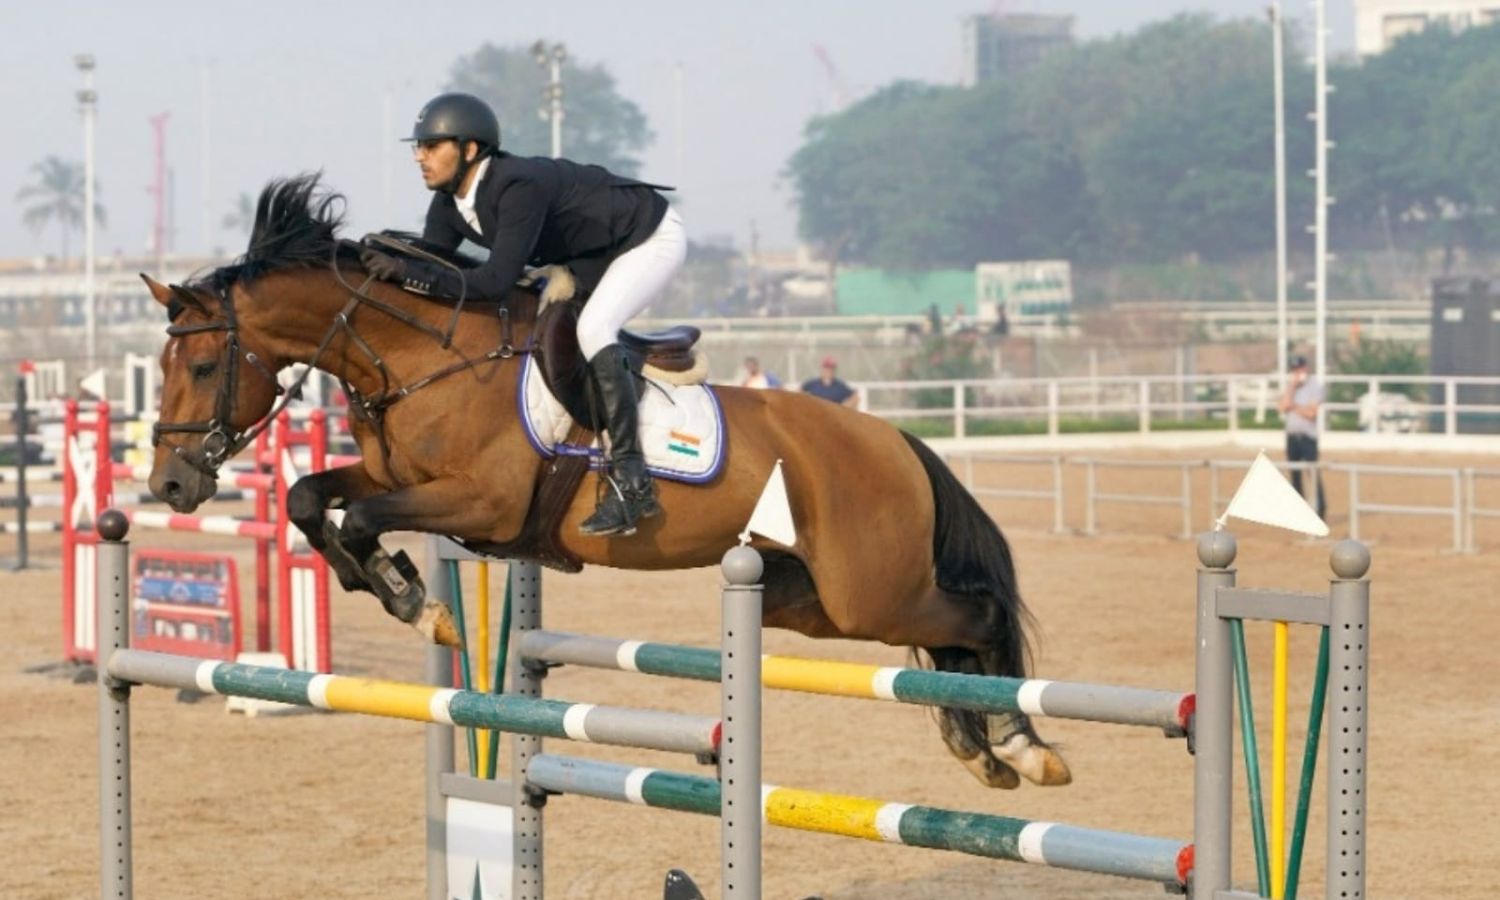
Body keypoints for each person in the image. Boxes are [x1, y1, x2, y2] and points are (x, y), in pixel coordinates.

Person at [359, 93, 686, 538]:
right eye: (418, 146)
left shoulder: (516, 186)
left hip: (646, 239)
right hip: (590, 254)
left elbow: (493, 281)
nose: (420, 156)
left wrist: (409, 274)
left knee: (594, 328)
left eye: (432, 145)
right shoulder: (449, 203)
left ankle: (633, 482)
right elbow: (434, 267)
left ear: (470, 150)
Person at [1278, 354, 1327, 519]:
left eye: (1299, 369)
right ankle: (1299, 512)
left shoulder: (1315, 386)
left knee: (1312, 474)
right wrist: (1292, 389)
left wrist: (1294, 405)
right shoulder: (1291, 386)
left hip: (1308, 436)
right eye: (1294, 370)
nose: (1297, 373)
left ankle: (1320, 511)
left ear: (1305, 368)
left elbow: (1311, 413)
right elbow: (1282, 407)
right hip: (1292, 436)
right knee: (1294, 475)